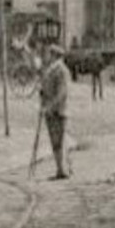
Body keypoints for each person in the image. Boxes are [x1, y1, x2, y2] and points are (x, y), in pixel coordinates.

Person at [38, 43, 71, 180]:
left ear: (55, 55)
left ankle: (62, 169)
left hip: (59, 110)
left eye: (50, 54)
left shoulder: (61, 70)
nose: (48, 56)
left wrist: (50, 106)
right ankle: (62, 168)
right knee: (55, 140)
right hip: (51, 110)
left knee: (59, 140)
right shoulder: (51, 69)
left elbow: (62, 93)